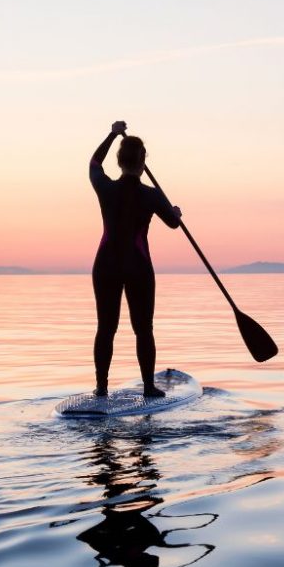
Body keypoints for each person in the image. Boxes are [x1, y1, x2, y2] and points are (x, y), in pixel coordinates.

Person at [89, 121, 183, 397]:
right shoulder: (152, 195)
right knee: (143, 329)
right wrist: (175, 210)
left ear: (119, 161)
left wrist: (111, 134)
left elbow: (94, 162)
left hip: (105, 265)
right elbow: (174, 223)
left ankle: (101, 388)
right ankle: (149, 387)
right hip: (137, 267)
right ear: (142, 162)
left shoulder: (104, 187)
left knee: (106, 328)